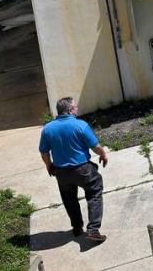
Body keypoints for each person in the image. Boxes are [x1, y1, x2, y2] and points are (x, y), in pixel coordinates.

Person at [39, 97, 108, 243]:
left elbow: (44, 152)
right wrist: (103, 154)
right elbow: (95, 147)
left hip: (61, 172)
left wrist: (49, 165)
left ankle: (77, 227)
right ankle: (93, 229)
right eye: (75, 107)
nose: (77, 109)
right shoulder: (80, 125)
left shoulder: (48, 129)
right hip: (83, 170)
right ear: (70, 110)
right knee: (94, 192)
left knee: (69, 199)